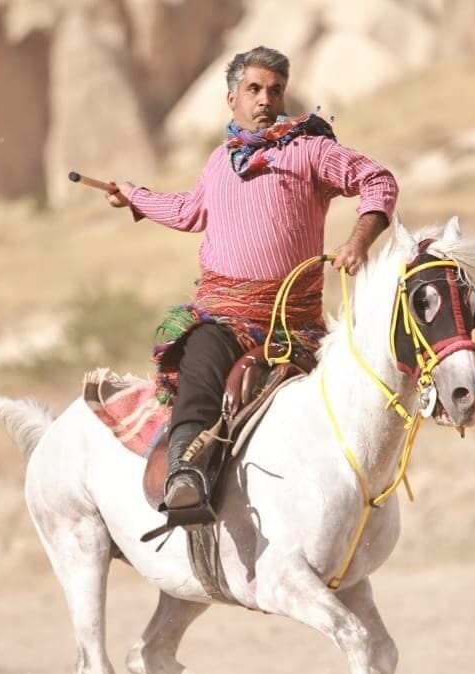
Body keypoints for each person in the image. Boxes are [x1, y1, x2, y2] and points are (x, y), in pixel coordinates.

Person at [106, 45, 398, 528]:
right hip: (222, 318)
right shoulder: (218, 161)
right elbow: (189, 211)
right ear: (232, 98)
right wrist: (134, 196)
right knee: (198, 364)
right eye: (254, 89)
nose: (266, 99)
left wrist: (358, 241)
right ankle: (185, 474)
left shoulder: (310, 150)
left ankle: (363, 495)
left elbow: (378, 180)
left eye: (275, 91)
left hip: (295, 327)